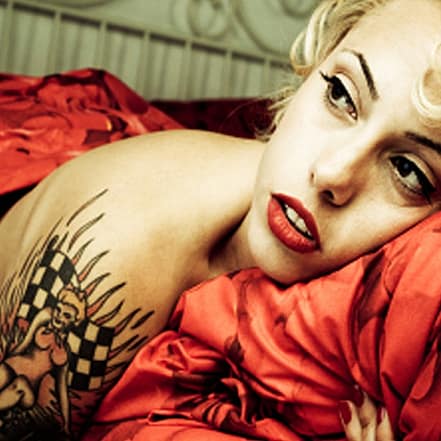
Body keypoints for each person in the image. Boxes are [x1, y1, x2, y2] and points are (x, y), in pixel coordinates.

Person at [1, 0, 441, 438]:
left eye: (407, 170)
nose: (331, 174)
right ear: (312, 70)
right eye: (340, 95)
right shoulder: (110, 264)